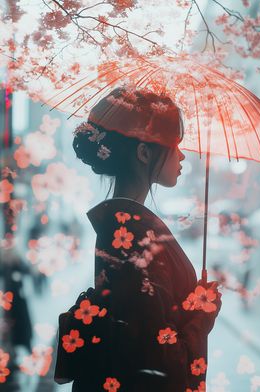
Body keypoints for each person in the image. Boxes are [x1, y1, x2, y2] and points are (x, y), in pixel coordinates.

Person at [70, 86, 222, 391]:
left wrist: (192, 307)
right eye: (174, 145)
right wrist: (202, 316)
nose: (181, 155)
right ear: (143, 153)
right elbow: (161, 361)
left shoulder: (125, 228)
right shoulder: (133, 240)